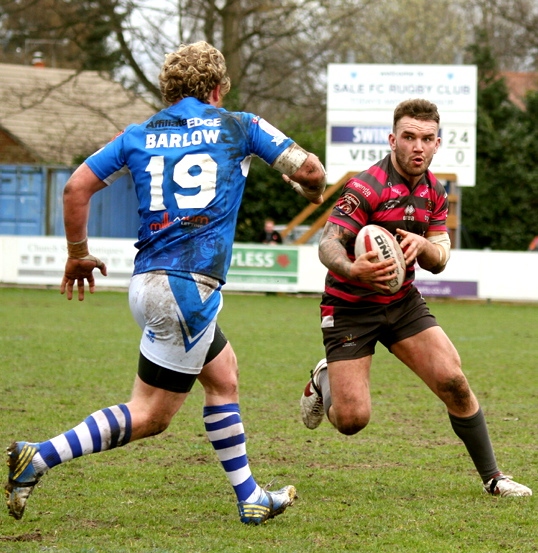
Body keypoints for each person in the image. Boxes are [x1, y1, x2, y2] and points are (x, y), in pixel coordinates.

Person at [5, 41, 326, 525]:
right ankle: (39, 456)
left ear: (169, 89)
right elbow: (311, 171)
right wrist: (307, 186)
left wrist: (77, 255)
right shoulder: (239, 125)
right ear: (218, 88)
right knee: (151, 415)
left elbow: (75, 188)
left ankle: (251, 496)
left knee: (224, 376)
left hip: (150, 284)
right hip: (187, 290)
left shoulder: (138, 134)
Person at [300, 98, 532, 498]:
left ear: (437, 143)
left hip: (402, 302)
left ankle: (494, 478)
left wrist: (424, 245)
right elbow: (328, 243)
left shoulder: (434, 192)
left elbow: (440, 259)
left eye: (427, 138)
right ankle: (323, 381)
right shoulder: (365, 186)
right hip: (351, 307)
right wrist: (355, 269)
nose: (418, 146)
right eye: (409, 137)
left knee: (454, 382)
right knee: (352, 420)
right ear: (393, 140)